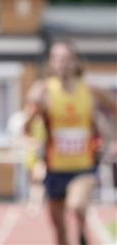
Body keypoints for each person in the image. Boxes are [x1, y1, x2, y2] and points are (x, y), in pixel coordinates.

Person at [24, 40, 117, 245]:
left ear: (75, 62)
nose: (61, 64)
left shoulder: (91, 90)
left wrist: (111, 138)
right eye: (56, 59)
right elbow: (27, 129)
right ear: (50, 63)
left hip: (84, 166)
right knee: (59, 230)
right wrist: (34, 112)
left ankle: (83, 230)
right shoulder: (42, 90)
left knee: (76, 205)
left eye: (66, 59)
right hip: (55, 168)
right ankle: (80, 234)